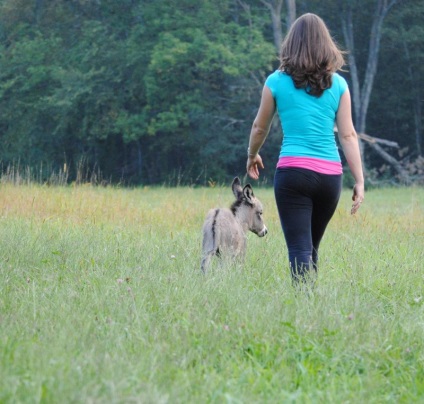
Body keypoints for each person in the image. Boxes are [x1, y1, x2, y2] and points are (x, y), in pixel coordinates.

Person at [246, 13, 364, 283]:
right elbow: (347, 135)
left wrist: (252, 155)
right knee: (310, 247)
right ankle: (310, 306)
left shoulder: (275, 81)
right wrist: (359, 179)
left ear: (291, 44)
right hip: (329, 177)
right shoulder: (339, 84)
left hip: (293, 174)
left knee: (299, 247)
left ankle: (303, 307)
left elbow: (259, 128)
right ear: (326, 44)